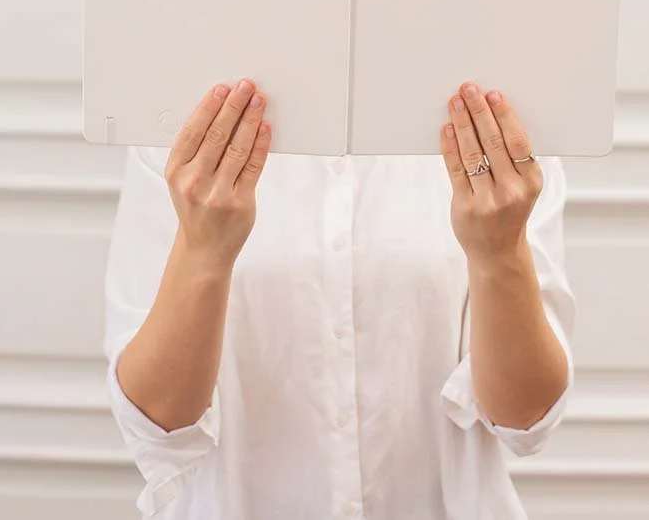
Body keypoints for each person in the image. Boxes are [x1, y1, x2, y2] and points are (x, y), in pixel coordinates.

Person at [104, 77, 574, 520]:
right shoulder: (180, 128)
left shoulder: (499, 129)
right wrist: (203, 250)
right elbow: (157, 423)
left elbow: (526, 418)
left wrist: (500, 252)